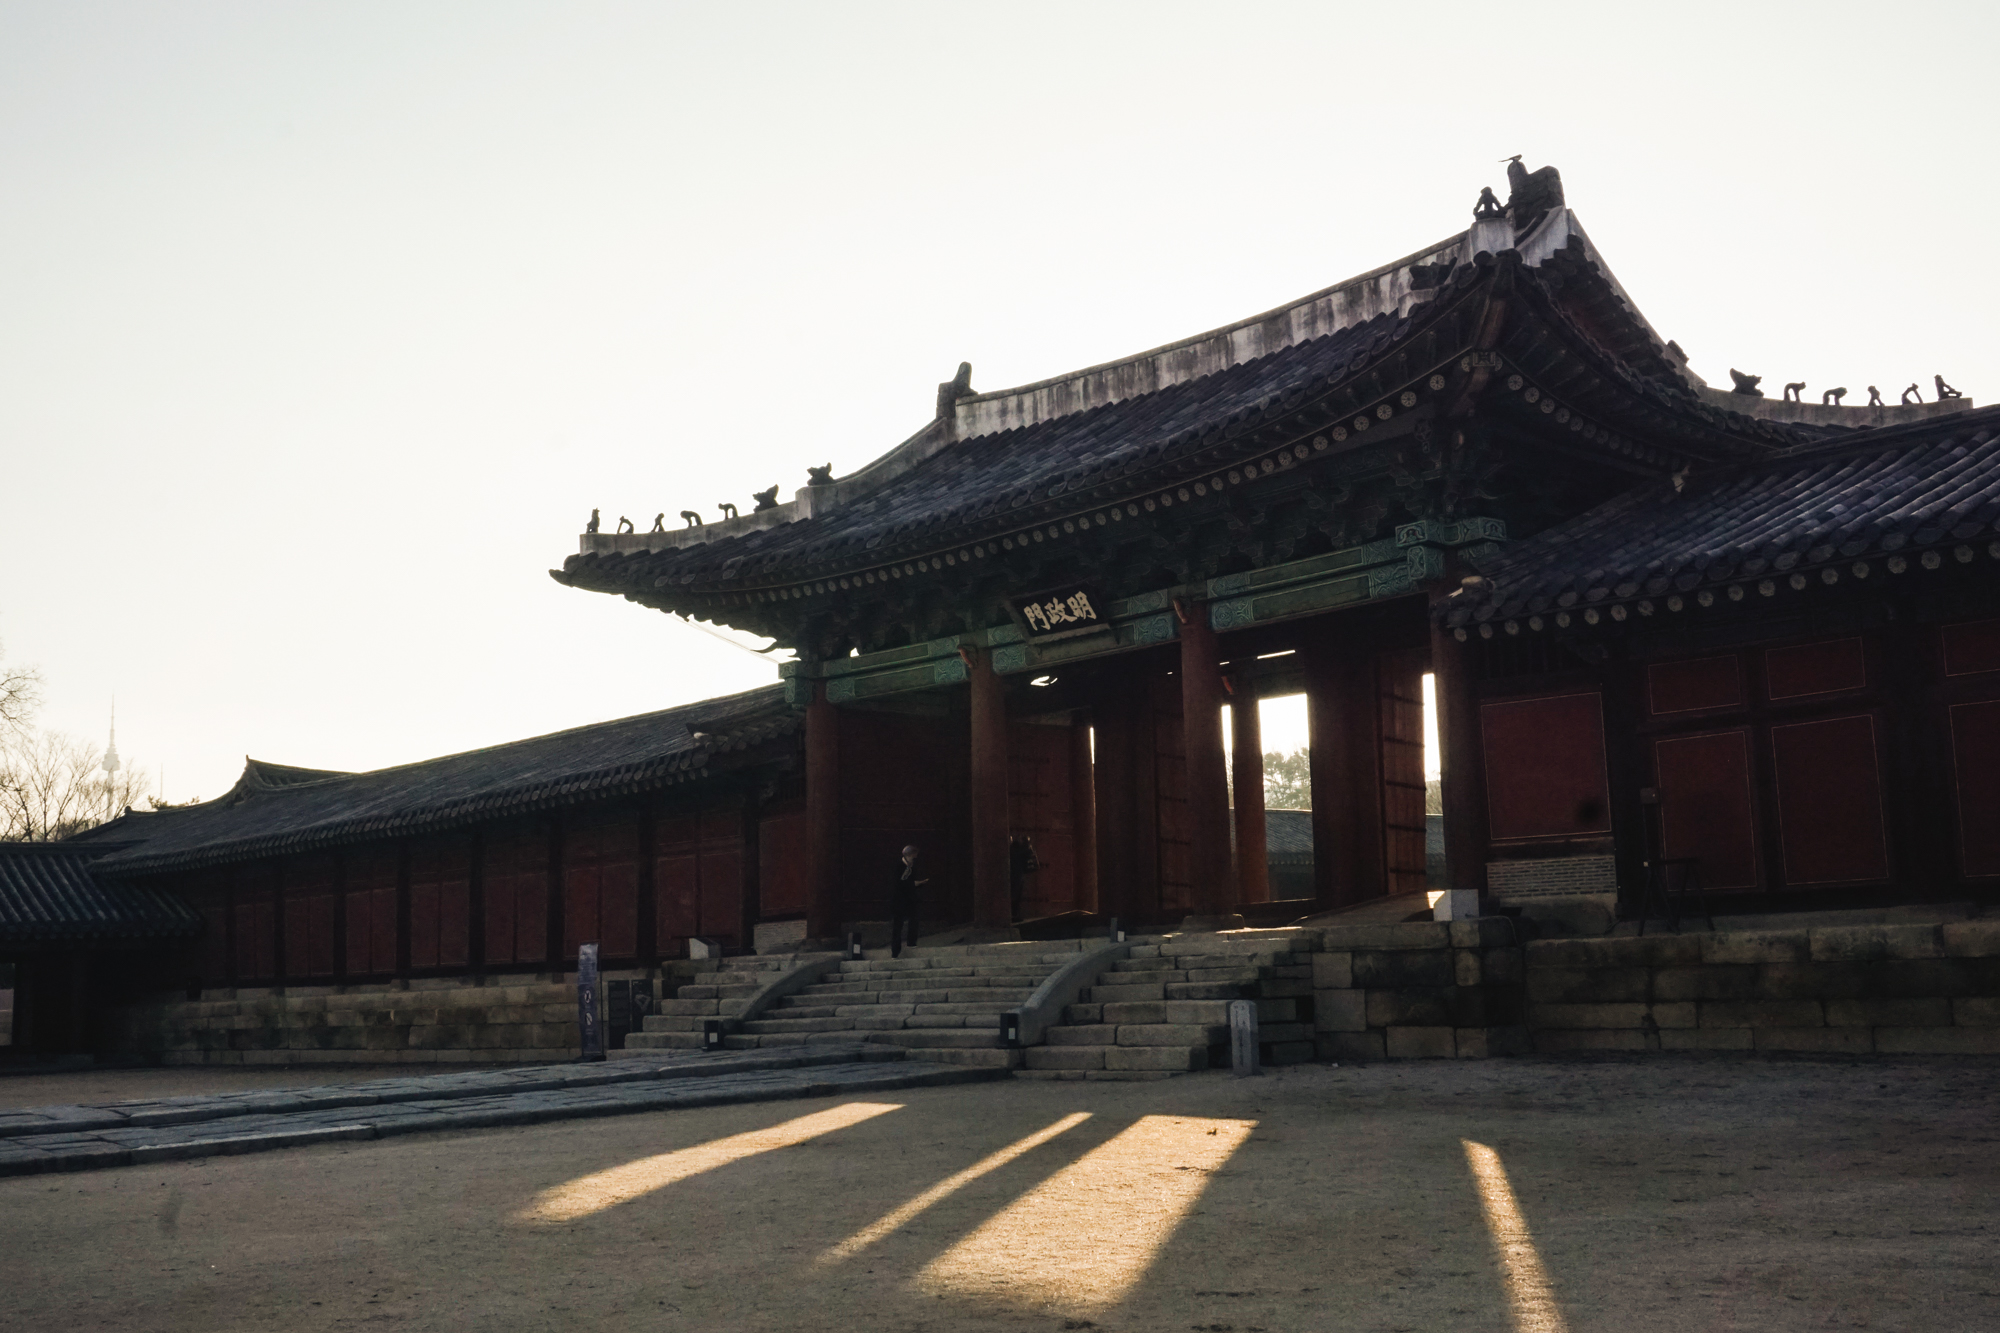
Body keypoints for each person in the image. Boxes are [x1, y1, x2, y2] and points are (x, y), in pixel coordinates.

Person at [890, 844, 928, 958]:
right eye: (913, 856)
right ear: (908, 855)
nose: (914, 859)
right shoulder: (898, 866)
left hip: (910, 899)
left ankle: (911, 942)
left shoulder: (912, 867)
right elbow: (898, 883)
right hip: (899, 900)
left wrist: (918, 884)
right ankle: (895, 950)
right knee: (898, 925)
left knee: (914, 919)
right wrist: (914, 884)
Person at [1008, 834, 1041, 924]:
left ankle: (1013, 915)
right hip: (1017, 875)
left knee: (1014, 895)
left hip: (1016, 875)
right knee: (1015, 895)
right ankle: (1013, 915)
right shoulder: (1018, 849)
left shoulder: (1014, 849)